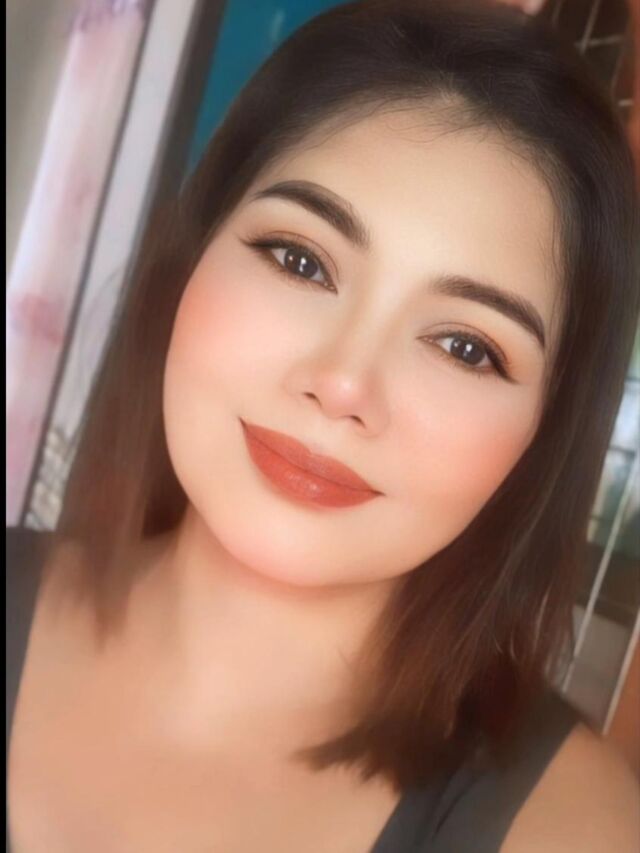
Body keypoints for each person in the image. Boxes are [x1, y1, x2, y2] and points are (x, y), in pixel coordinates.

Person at [6, 0, 640, 850]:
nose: (342, 384)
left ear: (544, 436)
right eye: (301, 260)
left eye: (465, 346)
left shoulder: (571, 826)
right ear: (193, 253)